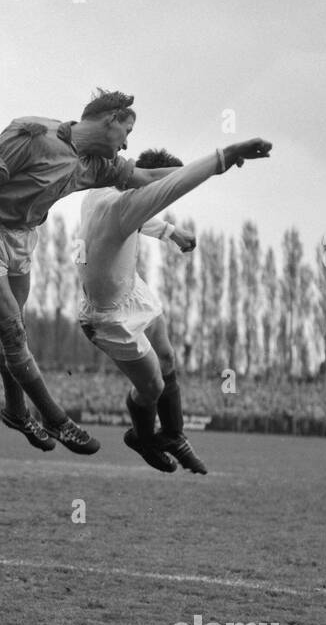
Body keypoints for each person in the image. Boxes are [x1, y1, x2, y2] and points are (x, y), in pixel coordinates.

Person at [0, 90, 180, 456]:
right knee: (13, 334)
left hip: (22, 238)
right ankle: (56, 419)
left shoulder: (96, 166)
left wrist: (217, 163)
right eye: (127, 130)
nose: (127, 143)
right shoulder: (33, 134)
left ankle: (15, 410)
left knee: (12, 332)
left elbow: (149, 175)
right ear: (111, 119)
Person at [77, 140, 272, 473]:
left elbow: (138, 217)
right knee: (151, 386)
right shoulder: (121, 207)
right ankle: (142, 437)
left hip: (130, 290)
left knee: (167, 355)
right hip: (108, 317)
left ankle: (173, 434)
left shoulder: (103, 193)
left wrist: (170, 232)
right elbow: (153, 199)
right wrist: (222, 157)